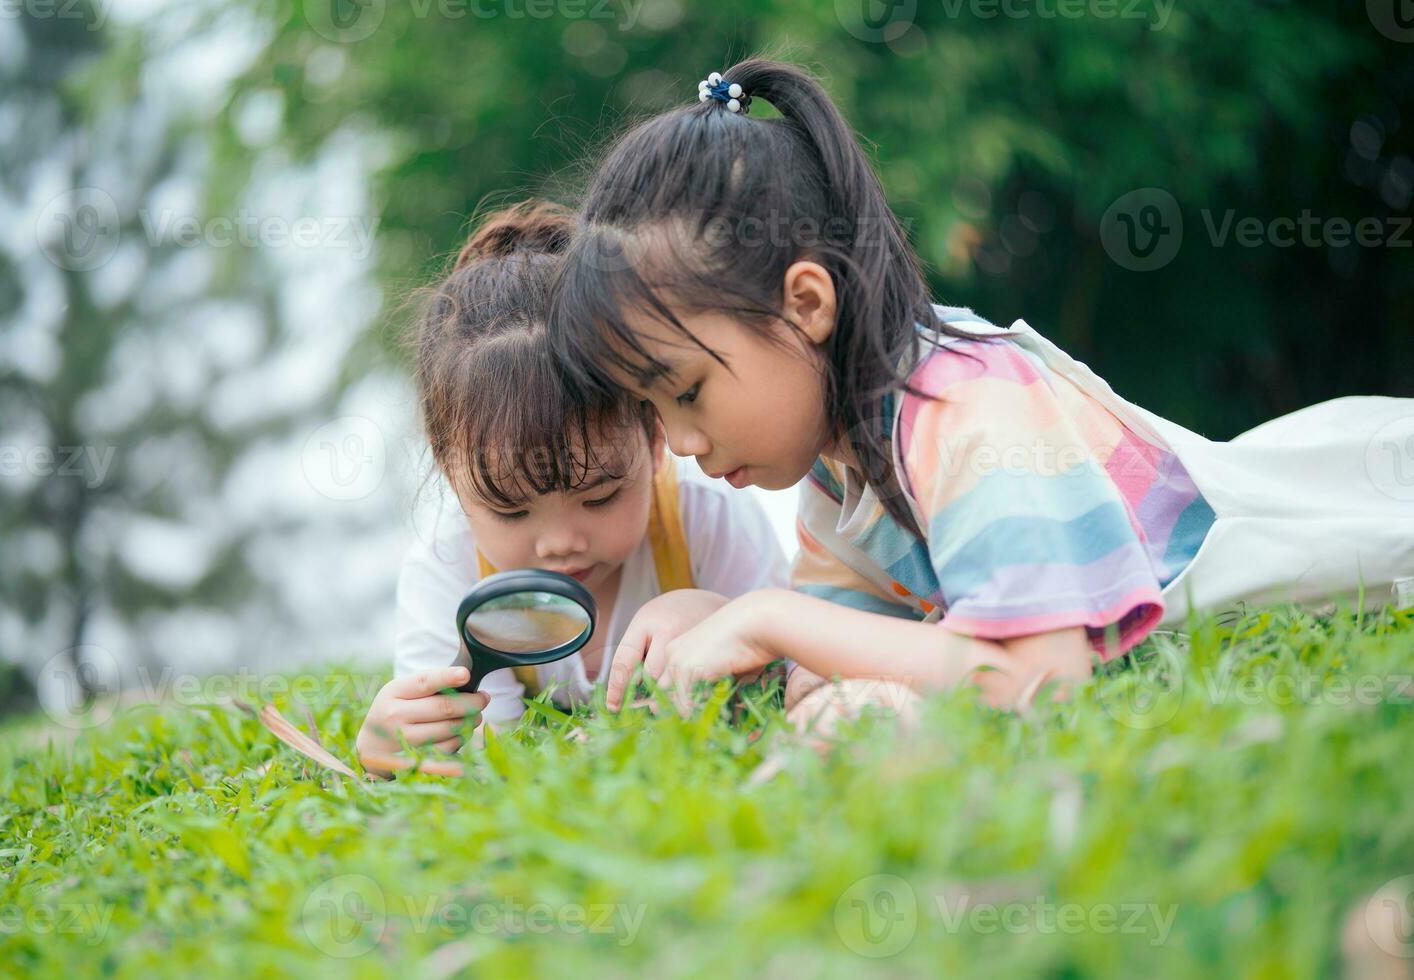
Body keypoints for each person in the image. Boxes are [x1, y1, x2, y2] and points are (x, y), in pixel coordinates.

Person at [546, 58, 1414, 716]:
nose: (683, 448)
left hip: (1352, 514)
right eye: (654, 412)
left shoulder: (962, 402)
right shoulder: (840, 461)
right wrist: (721, 620)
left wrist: (766, 620)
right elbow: (848, 657)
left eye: (686, 392)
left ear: (805, 303)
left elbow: (1036, 670)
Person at [356, 200, 789, 773]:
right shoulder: (447, 566)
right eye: (510, 510)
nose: (560, 542)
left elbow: (790, 679)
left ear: (656, 436)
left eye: (600, 496)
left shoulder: (706, 519)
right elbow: (478, 747)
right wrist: (401, 741)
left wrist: (719, 616)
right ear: (449, 472)